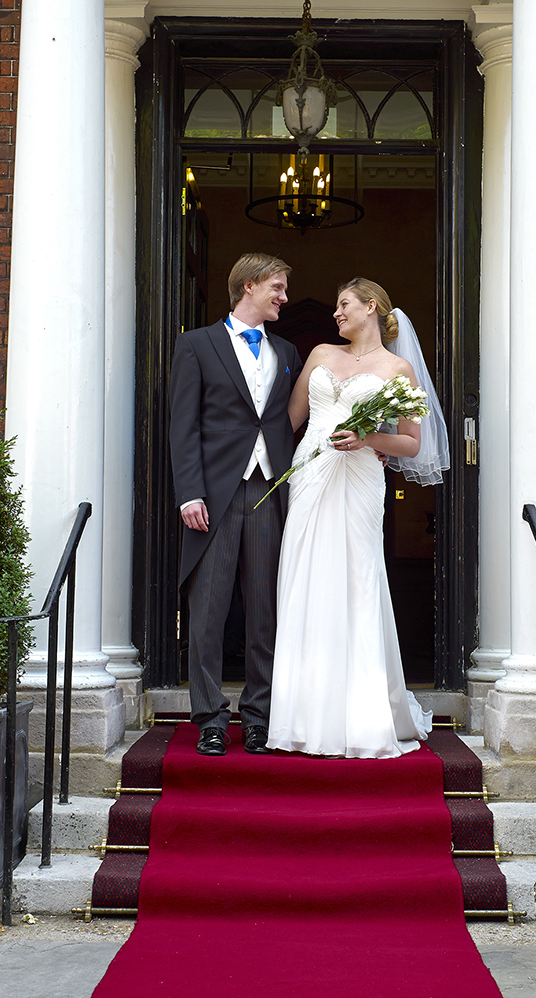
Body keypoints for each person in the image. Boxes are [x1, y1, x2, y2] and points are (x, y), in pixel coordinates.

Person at [267, 277, 448, 758]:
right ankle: (302, 715)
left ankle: (362, 715)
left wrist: (368, 438)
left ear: (371, 307)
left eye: (344, 304)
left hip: (361, 479)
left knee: (357, 581)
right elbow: (290, 419)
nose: (336, 314)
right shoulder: (321, 355)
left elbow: (410, 442)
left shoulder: (398, 368)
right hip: (310, 477)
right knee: (305, 580)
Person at [169, 253, 299, 756]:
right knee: (208, 611)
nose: (284, 298)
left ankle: (259, 717)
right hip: (213, 494)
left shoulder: (286, 350)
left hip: (269, 492)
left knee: (265, 609)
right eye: (278, 288)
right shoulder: (196, 345)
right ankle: (210, 718)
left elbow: (287, 422)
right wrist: (189, 493)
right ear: (249, 286)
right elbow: (184, 425)